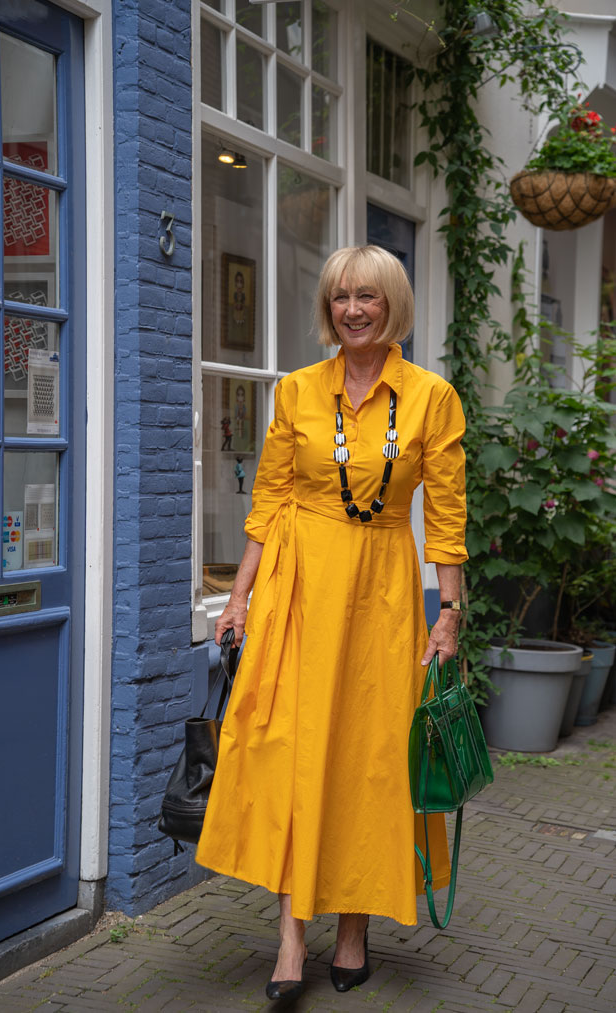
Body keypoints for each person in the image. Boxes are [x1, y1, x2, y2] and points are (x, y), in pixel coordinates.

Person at [196, 245, 467, 1001]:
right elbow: (267, 501)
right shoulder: (294, 392)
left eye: (368, 297)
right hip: (299, 590)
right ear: (329, 306)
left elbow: (445, 517)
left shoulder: (430, 398)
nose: (353, 308)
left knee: (368, 760)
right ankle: (289, 936)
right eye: (341, 295)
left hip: (381, 595)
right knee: (292, 754)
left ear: (392, 306)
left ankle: (352, 930)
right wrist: (239, 596)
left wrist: (447, 611)